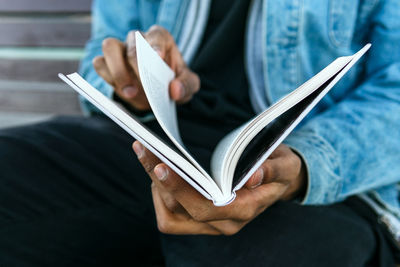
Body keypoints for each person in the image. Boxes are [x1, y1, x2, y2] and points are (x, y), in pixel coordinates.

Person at [0, 0, 399, 266]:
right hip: (154, 142)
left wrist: (307, 161)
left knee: (265, 252)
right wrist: (134, 81)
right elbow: (102, 54)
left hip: (322, 172)